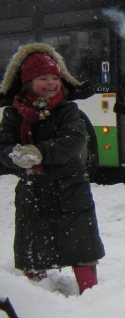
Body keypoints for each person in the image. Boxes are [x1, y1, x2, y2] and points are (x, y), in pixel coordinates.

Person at [0, 43, 105, 295]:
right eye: (42, 78)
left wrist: (40, 152)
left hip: (71, 189)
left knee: (82, 247)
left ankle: (91, 295)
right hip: (33, 190)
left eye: (54, 78)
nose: (50, 83)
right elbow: (3, 146)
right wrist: (14, 156)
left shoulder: (68, 110)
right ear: (27, 83)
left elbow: (73, 140)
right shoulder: (14, 114)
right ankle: (36, 296)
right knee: (34, 248)